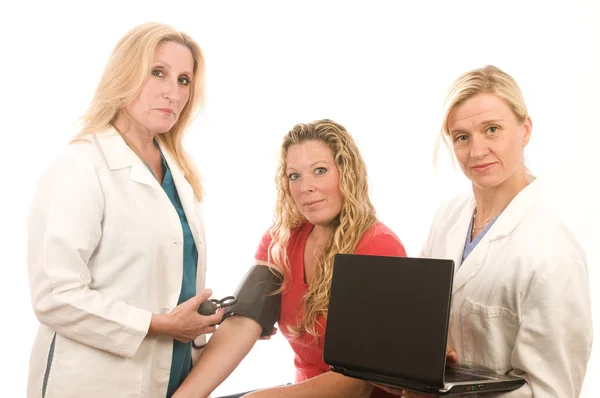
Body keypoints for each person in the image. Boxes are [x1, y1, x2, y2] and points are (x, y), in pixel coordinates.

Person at [26, 22, 223, 398]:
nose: (173, 93)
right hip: (98, 380)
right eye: (158, 73)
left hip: (175, 372)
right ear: (125, 74)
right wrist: (160, 325)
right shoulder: (82, 165)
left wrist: (209, 318)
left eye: (184, 80)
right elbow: (55, 294)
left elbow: (169, 278)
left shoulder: (178, 171)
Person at [379, 65, 593, 397]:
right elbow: (420, 319)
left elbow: (553, 391)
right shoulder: (447, 217)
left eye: (492, 129)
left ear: (525, 130)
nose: (477, 151)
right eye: (462, 137)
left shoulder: (554, 256)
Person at [174, 119, 407, 398]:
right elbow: (243, 324)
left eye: (319, 171)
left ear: (347, 173)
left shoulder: (378, 246)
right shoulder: (281, 240)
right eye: (295, 175)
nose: (305, 187)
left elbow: (357, 383)